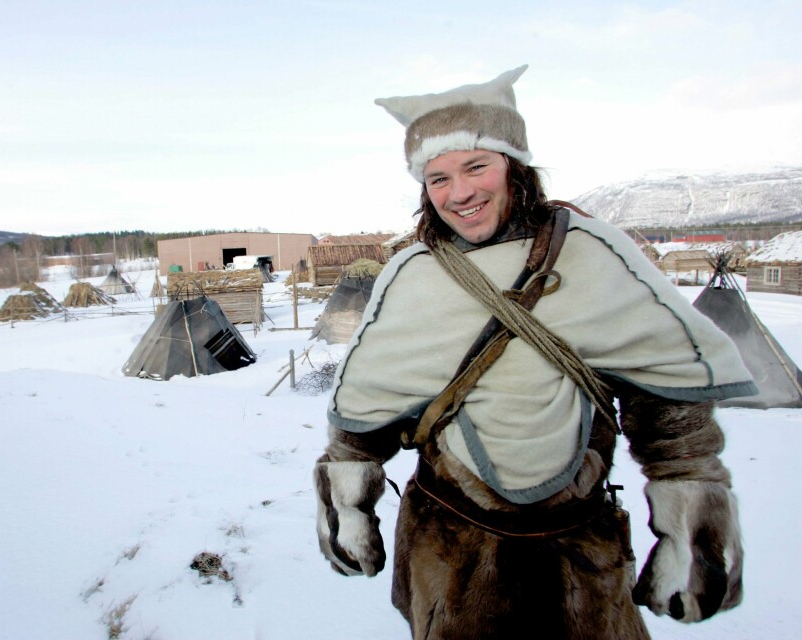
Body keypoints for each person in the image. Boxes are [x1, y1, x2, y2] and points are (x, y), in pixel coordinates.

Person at [313, 65, 754, 639]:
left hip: (578, 556)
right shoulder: (412, 276)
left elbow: (667, 402)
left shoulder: (592, 253)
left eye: (476, 166)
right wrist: (347, 501)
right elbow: (369, 404)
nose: (460, 192)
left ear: (514, 168)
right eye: (438, 177)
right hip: (448, 552)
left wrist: (692, 530)